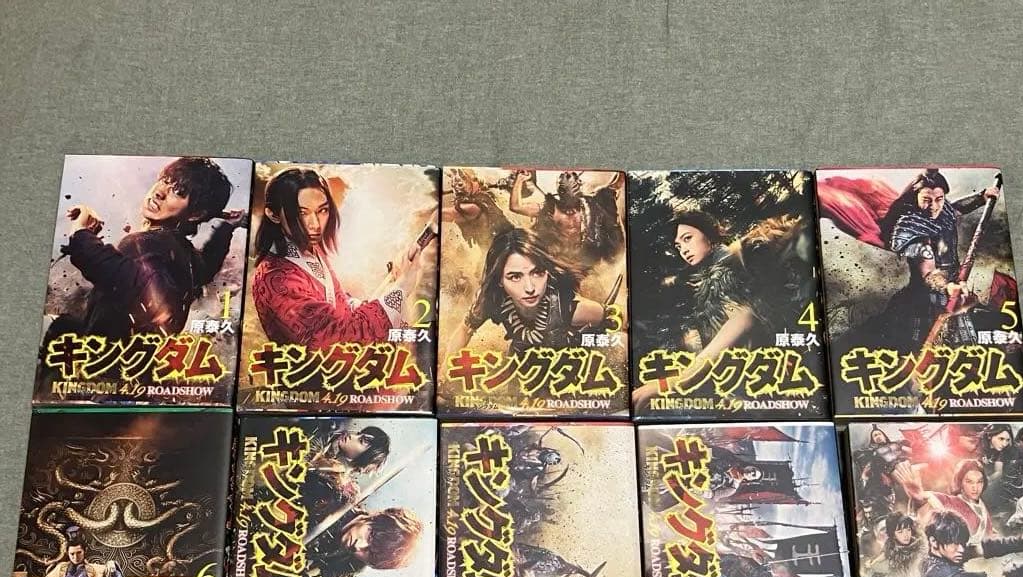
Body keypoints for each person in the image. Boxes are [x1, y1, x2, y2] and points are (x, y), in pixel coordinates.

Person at [47, 157, 242, 342]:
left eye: (178, 191)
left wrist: (80, 232)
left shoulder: (147, 243)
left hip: (106, 357)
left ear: (196, 214)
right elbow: (208, 265)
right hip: (138, 357)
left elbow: (117, 273)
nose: (160, 192)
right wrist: (228, 228)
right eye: (165, 180)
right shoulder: (186, 254)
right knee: (63, 325)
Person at [631, 210, 809, 408]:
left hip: (760, 384)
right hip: (740, 380)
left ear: (709, 235)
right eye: (678, 246)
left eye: (688, 239)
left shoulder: (729, 269)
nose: (684, 250)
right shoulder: (703, 278)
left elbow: (742, 319)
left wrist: (678, 381)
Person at [249, 167, 430, 350]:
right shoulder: (275, 279)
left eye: (322, 210)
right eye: (302, 213)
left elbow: (340, 307)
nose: (315, 224)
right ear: (273, 214)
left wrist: (393, 283)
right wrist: (401, 288)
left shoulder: (311, 252)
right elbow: (336, 340)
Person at [879, 169, 999, 353]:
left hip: (954, 293)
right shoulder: (910, 226)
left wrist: (981, 197)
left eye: (939, 199)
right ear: (915, 197)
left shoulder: (944, 211)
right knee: (917, 354)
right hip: (923, 300)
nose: (933, 206)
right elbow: (928, 273)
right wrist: (948, 286)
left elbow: (955, 209)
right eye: (926, 200)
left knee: (962, 354)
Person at [442, 228, 608, 357]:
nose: (530, 288)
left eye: (537, 273)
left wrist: (584, 342)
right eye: (515, 277)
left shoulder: (570, 307)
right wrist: (445, 372)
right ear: (500, 280)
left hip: (568, 366)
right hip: (523, 363)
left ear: (547, 272)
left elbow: (614, 325)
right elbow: (464, 331)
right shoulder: (492, 299)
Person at [509, 170, 623, 265]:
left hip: (588, 257)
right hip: (560, 261)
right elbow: (516, 207)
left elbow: (616, 186)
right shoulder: (550, 209)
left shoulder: (591, 204)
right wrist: (520, 179)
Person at [305, 507, 423, 577]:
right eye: (370, 536)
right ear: (376, 518)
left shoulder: (355, 564)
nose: (358, 545)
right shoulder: (338, 504)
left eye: (368, 553)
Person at [894, 458, 992, 543]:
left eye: (979, 482)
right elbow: (925, 499)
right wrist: (917, 494)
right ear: (960, 483)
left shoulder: (982, 508)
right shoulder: (953, 502)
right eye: (969, 482)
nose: (975, 487)